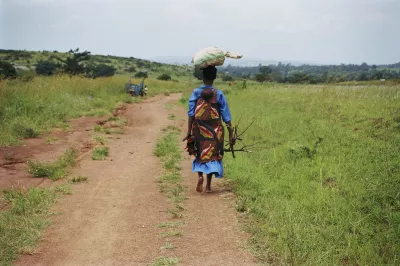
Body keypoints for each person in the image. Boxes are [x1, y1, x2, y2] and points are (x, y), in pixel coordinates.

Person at [186, 66, 235, 193]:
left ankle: (200, 176)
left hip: (199, 129)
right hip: (215, 130)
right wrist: (231, 132)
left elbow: (191, 113)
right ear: (214, 77)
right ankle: (208, 186)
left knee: (200, 153)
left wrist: (188, 132)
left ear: (203, 77)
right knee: (212, 155)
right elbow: (226, 114)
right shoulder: (218, 93)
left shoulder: (196, 92)